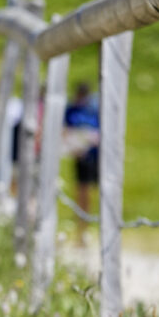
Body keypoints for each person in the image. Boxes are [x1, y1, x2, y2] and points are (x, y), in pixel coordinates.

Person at [63, 81, 100, 240]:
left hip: (97, 155)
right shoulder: (72, 109)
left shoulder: (95, 108)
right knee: (82, 192)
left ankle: (96, 227)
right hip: (81, 156)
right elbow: (65, 129)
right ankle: (82, 229)